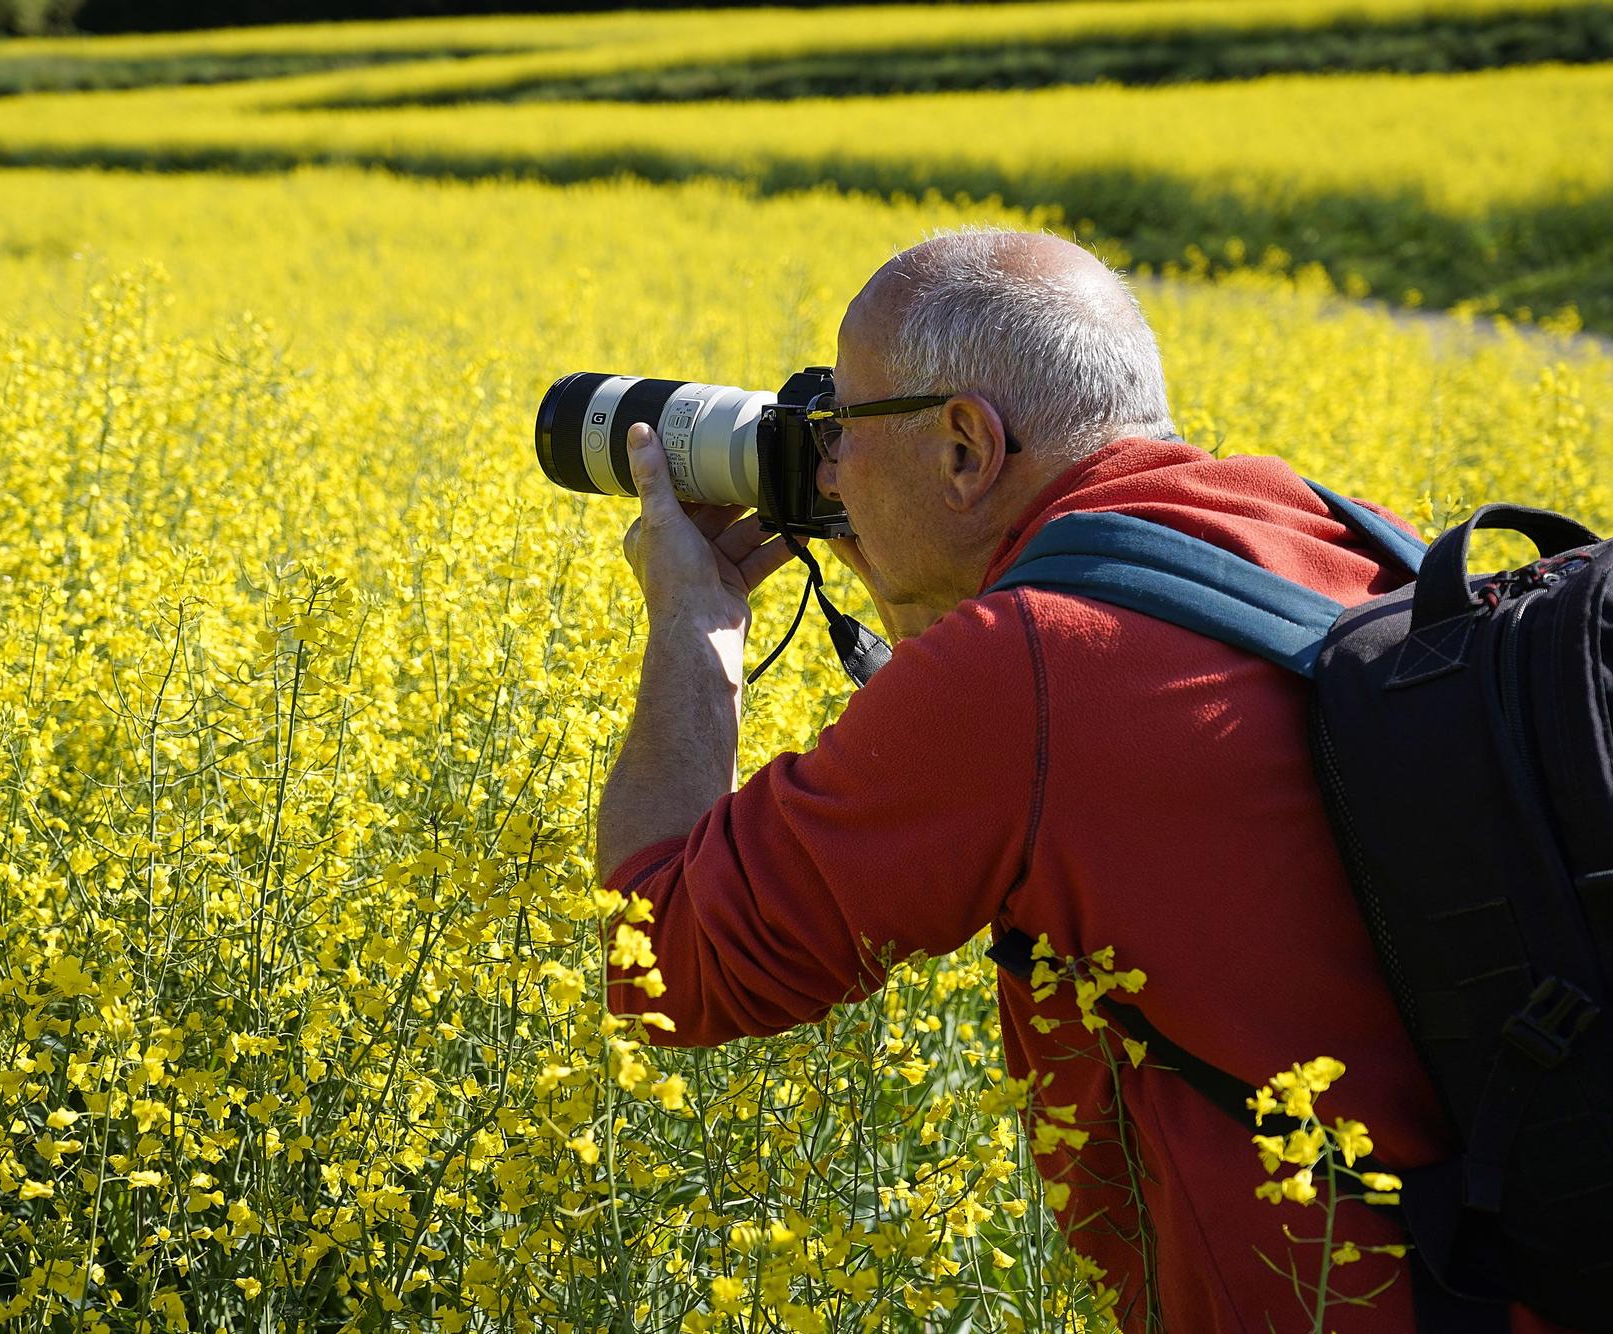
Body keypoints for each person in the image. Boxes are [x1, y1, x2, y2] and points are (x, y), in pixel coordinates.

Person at [595, 228, 1552, 1332]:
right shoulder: (1334, 530)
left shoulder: (1019, 670)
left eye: (840, 427)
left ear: (963, 446)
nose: (827, 472)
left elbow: (667, 961)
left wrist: (693, 622)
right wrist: (934, 603)